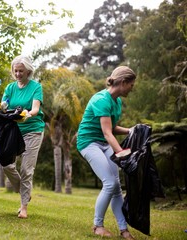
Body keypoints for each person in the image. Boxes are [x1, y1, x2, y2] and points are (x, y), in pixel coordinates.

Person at [76, 66, 136, 239]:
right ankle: (98, 226)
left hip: (103, 142)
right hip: (89, 142)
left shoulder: (116, 101)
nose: (132, 88)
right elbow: (107, 132)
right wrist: (120, 151)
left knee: (117, 186)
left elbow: (111, 127)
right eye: (131, 85)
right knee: (109, 183)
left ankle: (124, 230)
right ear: (123, 82)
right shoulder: (101, 99)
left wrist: (129, 131)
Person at [1, 55, 45, 219]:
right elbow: (4, 104)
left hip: (33, 129)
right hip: (13, 131)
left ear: (28, 71)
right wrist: (3, 105)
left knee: (26, 169)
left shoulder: (36, 87)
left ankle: (23, 206)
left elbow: (35, 108)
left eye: (21, 71)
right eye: (16, 71)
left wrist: (27, 114)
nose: (18, 74)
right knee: (6, 164)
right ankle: (24, 191)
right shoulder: (10, 88)